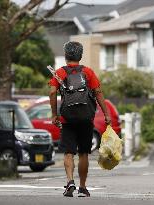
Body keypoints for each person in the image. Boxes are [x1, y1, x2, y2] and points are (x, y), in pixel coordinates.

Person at [49, 41, 111, 197]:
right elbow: (98, 93)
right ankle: (82, 187)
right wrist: (106, 114)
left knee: (68, 152)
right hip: (85, 118)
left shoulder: (60, 73)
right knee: (84, 153)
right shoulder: (88, 72)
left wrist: (54, 114)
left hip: (67, 119)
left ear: (65, 56)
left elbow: (51, 93)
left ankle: (70, 182)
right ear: (80, 56)